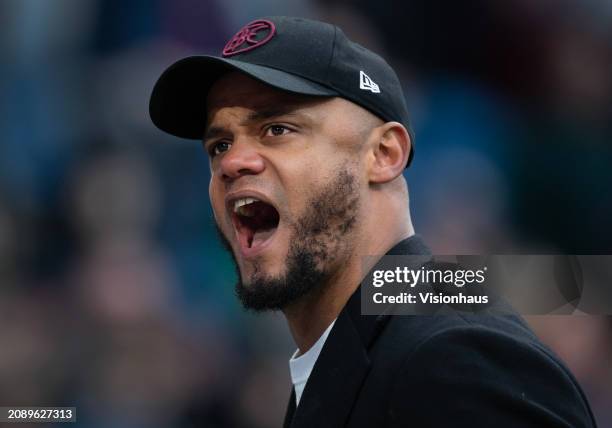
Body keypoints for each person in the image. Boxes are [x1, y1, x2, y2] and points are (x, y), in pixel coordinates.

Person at [149, 16, 597, 427]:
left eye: (277, 129)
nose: (232, 163)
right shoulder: (351, 360)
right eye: (219, 145)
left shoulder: (452, 360)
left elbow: (576, 288)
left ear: (384, 155)